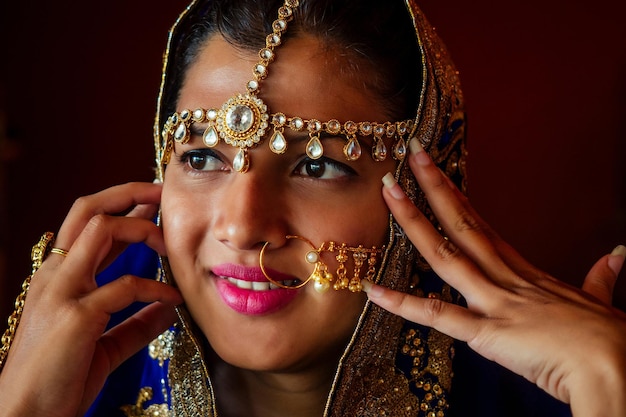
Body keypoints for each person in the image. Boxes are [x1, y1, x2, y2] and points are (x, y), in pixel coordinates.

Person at [0, 0, 624, 416]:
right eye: (201, 159)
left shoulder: (545, 390)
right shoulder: (87, 344)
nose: (242, 227)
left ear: (430, 193)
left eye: (319, 165)